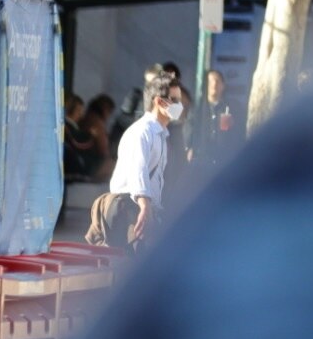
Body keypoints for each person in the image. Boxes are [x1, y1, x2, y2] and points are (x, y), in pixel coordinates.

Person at [86, 72, 184, 251]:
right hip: (130, 212)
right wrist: (145, 208)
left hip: (141, 211)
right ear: (159, 101)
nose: (179, 105)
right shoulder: (142, 132)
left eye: (180, 100)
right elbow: (138, 172)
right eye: (174, 100)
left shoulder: (161, 135)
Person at [192, 68, 241, 171]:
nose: (214, 84)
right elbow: (191, 130)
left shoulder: (231, 108)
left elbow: (237, 134)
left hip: (224, 161)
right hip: (201, 160)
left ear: (223, 85)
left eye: (217, 81)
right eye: (210, 81)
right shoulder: (197, 108)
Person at [63, 92, 100, 180]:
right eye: (79, 110)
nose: (81, 115)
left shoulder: (70, 126)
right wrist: (90, 135)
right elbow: (78, 142)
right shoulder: (67, 127)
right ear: (71, 110)